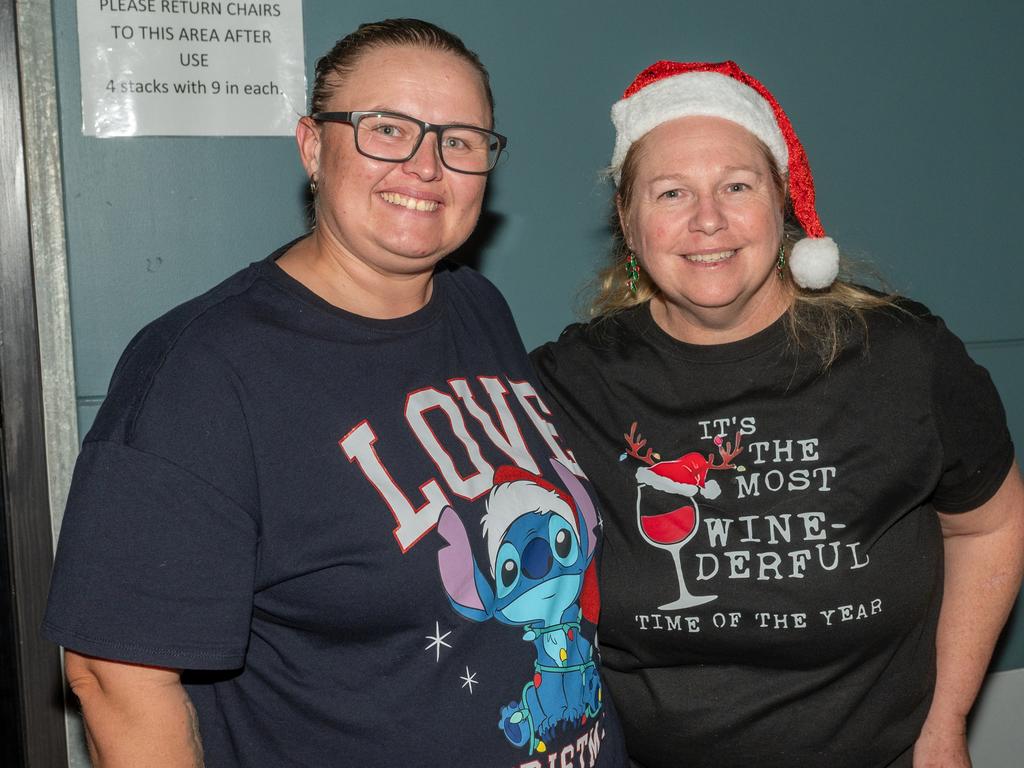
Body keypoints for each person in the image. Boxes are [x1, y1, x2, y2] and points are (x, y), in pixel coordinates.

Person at [44, 19, 626, 768]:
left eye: (459, 139)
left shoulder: (478, 306)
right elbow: (113, 676)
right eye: (387, 129)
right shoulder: (201, 372)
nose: (425, 166)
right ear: (313, 146)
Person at [531, 60, 1024, 768]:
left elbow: (992, 523)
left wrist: (945, 722)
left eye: (737, 185)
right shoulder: (565, 383)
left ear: (783, 205)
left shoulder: (906, 358)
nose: (709, 220)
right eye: (672, 192)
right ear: (627, 221)